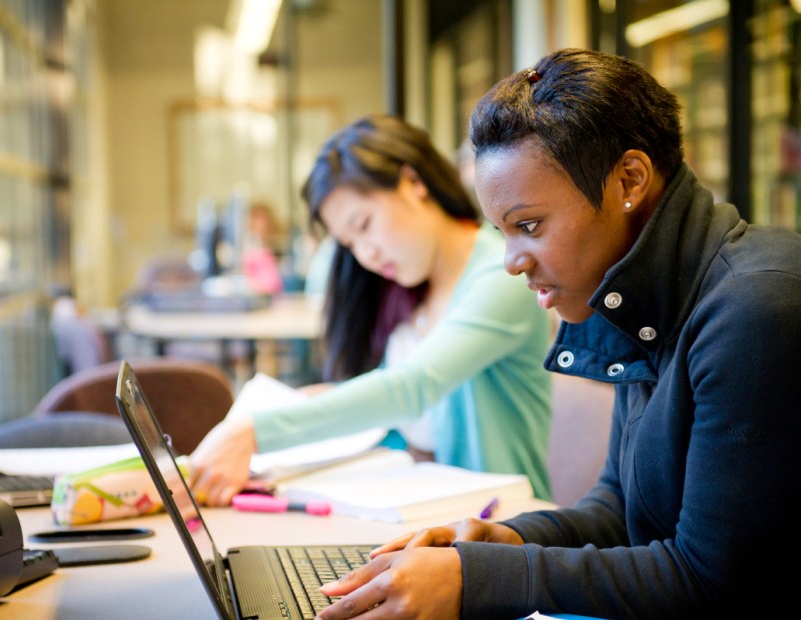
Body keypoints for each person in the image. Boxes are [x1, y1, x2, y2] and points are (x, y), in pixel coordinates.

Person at [311, 48, 801, 619]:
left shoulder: (755, 309)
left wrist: (481, 579)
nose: (511, 262)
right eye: (504, 231)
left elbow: (709, 580)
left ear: (630, 180)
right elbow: (622, 509)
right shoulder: (645, 294)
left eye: (529, 226)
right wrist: (509, 541)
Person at [189, 114, 554, 506]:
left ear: (413, 183)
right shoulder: (410, 287)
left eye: (364, 225)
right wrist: (318, 400)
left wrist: (254, 431)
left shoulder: (502, 274)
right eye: (349, 242)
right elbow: (403, 412)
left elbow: (412, 388)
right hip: (425, 512)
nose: (366, 253)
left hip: (504, 528)